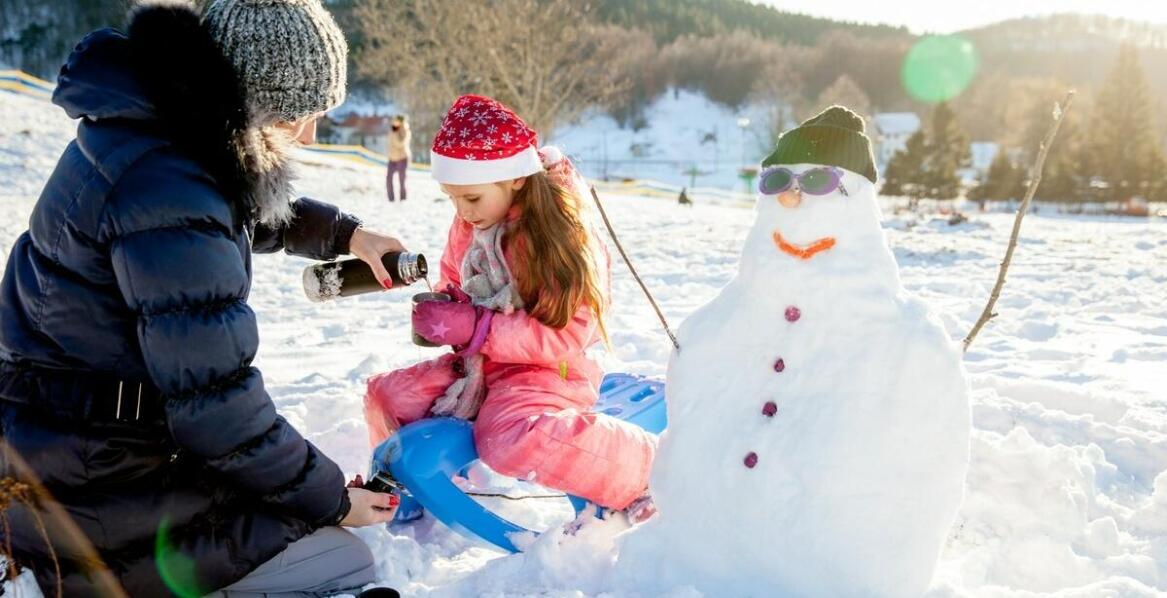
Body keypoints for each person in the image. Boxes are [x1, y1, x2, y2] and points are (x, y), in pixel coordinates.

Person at [0, 1, 403, 595]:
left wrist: (346, 235)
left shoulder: (152, 134)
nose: (310, 134)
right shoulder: (173, 183)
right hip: (92, 483)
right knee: (343, 558)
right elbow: (218, 407)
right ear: (255, 102)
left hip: (54, 447)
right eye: (298, 115)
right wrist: (330, 500)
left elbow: (232, 212)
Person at [365, 95, 657, 517]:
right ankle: (406, 489)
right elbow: (455, 275)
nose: (462, 212)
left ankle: (646, 470)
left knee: (506, 439)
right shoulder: (473, 220)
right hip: (479, 367)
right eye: (452, 198)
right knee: (388, 394)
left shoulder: (559, 235)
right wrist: (448, 307)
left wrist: (476, 328)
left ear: (515, 178)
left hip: (548, 371)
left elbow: (569, 331)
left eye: (471, 198)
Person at [386, 114, 411, 201]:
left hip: (402, 158)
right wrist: (394, 131)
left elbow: (399, 143)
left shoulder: (405, 130)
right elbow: (390, 142)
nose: (395, 122)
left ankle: (403, 199)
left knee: (402, 180)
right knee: (389, 179)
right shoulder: (393, 129)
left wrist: (395, 132)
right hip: (392, 158)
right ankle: (391, 199)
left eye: (397, 120)